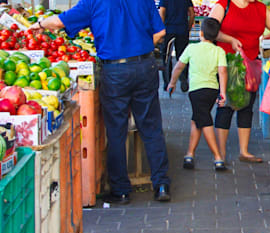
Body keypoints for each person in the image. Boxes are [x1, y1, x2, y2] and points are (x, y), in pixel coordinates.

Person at [33, 0, 172, 203]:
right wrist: (139, 48)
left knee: (116, 131)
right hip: (145, 66)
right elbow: (160, 33)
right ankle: (161, 185)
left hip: (114, 70)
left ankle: (121, 190)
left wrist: (39, 24)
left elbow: (60, 21)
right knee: (151, 127)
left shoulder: (93, 1)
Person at [209, 0, 270, 163]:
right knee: (226, 107)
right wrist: (230, 40)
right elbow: (211, 30)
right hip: (228, 63)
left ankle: (244, 151)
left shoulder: (260, 8)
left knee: (247, 107)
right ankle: (220, 154)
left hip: (251, 64)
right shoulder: (224, 4)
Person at [167, 18, 228, 171]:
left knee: (204, 120)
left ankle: (218, 157)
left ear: (200, 33)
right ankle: (190, 154)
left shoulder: (191, 48)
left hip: (196, 91)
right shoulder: (219, 51)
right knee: (197, 119)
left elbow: (179, 67)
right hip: (212, 91)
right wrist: (222, 92)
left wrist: (172, 83)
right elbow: (222, 72)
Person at [159, 0, 194, 92]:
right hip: (182, 30)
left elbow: (162, 12)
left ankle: (167, 82)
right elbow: (192, 14)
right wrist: (188, 28)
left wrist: (161, 29)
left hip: (168, 30)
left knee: (166, 57)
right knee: (183, 56)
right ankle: (183, 79)